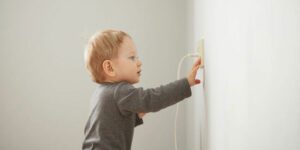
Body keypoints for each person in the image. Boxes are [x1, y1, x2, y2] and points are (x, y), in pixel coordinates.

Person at [82, 29, 201, 150]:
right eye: (132, 57)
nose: (139, 62)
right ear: (109, 68)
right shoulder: (120, 91)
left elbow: (111, 126)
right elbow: (153, 98)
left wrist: (137, 114)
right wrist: (186, 83)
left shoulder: (100, 92)